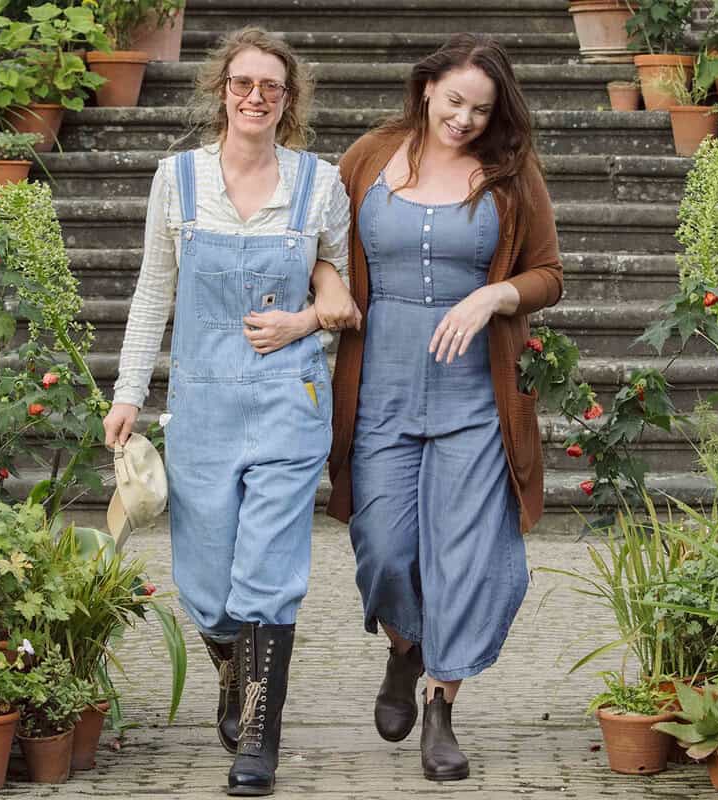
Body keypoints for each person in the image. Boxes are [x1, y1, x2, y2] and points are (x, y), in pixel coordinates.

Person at [103, 26, 359, 797]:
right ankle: (229, 665)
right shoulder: (177, 181)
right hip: (203, 403)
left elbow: (342, 293)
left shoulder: (317, 184)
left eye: (271, 88)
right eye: (243, 83)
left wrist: (303, 323)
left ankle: (258, 740)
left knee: (268, 576)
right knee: (207, 585)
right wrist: (127, 390)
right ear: (222, 90)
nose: (255, 97)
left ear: (288, 102)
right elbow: (154, 292)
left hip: (289, 398)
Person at [326, 33, 564, 781]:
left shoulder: (512, 172)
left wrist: (497, 293)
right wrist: (327, 292)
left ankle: (442, 704)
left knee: (468, 558)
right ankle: (406, 650)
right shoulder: (368, 157)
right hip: (380, 389)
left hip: (475, 400)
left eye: (481, 109)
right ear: (427, 88)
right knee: (386, 549)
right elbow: (323, 248)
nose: (464, 119)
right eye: (454, 100)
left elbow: (549, 273)